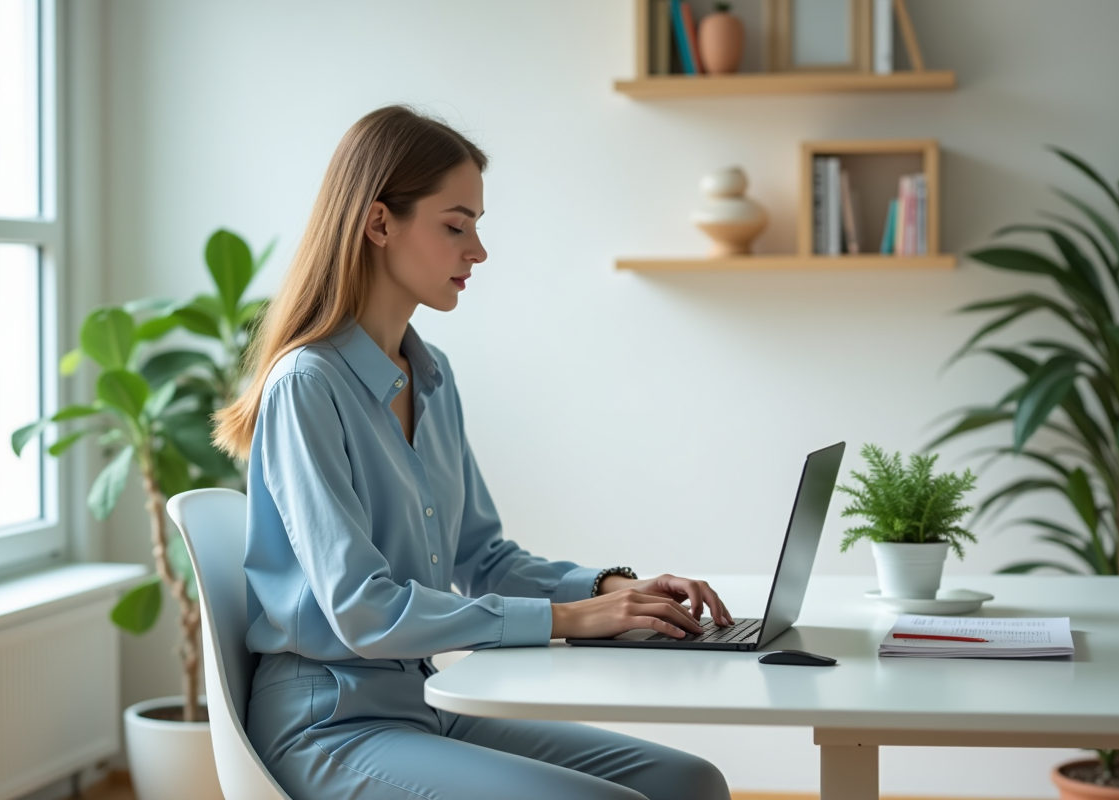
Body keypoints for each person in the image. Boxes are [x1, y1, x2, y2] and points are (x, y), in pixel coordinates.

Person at [213, 106, 733, 800]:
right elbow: (361, 610)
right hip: (330, 725)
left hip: (429, 701)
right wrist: (565, 621)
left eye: (477, 226)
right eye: (456, 225)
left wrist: (613, 591)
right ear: (378, 223)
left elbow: (483, 560)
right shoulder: (307, 386)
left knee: (689, 783)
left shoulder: (432, 378)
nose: (478, 251)